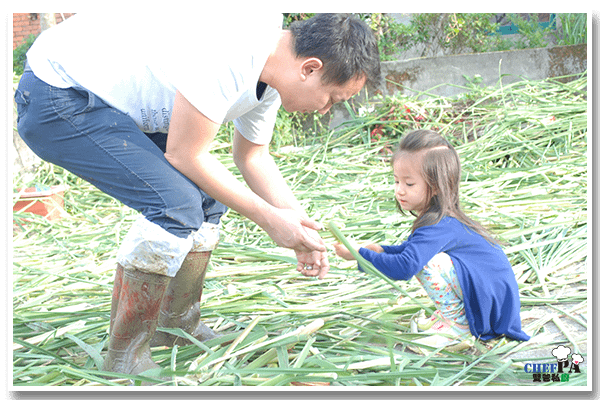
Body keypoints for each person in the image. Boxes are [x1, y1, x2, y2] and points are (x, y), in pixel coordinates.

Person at [15, 11, 381, 376]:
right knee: (175, 205)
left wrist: (301, 230)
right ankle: (124, 355)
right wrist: (270, 221)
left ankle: (176, 329)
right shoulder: (236, 49)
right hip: (59, 95)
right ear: (310, 69)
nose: (327, 108)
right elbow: (184, 154)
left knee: (208, 199)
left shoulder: (272, 74)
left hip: (109, 105)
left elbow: (252, 156)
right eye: (332, 97)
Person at [334, 129, 530, 351]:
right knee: (423, 257)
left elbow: (407, 266)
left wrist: (361, 255)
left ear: (436, 186)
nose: (399, 191)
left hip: (491, 310)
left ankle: (458, 326)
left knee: (427, 263)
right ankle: (457, 316)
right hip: (491, 300)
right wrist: (380, 250)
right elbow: (409, 250)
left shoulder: (439, 225)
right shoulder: (443, 220)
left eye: (409, 184)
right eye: (397, 181)